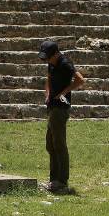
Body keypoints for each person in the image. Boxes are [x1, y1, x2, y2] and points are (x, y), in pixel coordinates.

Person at [39, 39, 85, 194]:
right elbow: (49, 77)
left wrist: (64, 92)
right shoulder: (51, 63)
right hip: (52, 106)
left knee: (59, 144)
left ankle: (62, 181)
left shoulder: (65, 64)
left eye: (48, 57)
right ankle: (54, 179)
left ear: (56, 53)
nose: (46, 60)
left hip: (61, 108)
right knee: (50, 144)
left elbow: (80, 80)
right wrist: (47, 93)